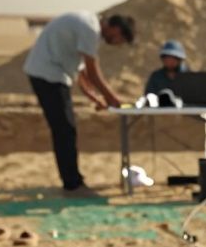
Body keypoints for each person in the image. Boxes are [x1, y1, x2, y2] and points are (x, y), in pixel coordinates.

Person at [23, 12, 134, 198]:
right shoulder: (90, 29)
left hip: (52, 74)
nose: (116, 44)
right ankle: (72, 185)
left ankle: (73, 180)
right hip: (47, 75)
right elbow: (92, 70)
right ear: (115, 30)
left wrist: (94, 97)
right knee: (65, 129)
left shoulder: (87, 28)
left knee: (65, 128)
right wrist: (112, 98)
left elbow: (81, 71)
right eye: (119, 39)